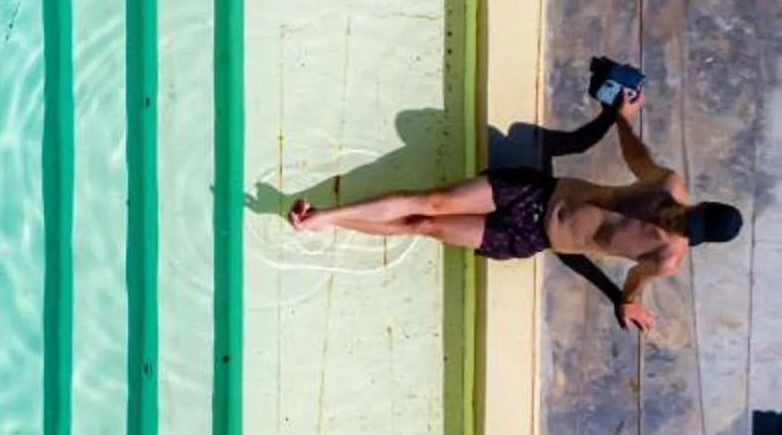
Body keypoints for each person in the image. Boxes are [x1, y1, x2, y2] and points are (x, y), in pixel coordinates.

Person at [288, 85, 743, 332]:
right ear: (696, 203)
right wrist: (619, 120)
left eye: (688, 229)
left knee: (422, 225)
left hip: (531, 237)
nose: (677, 222)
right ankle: (320, 218)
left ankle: (326, 222)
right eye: (687, 215)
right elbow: (637, 158)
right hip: (535, 194)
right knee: (433, 201)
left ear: (694, 240)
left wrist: (628, 305)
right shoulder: (667, 185)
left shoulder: (666, 259)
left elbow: (633, 282)